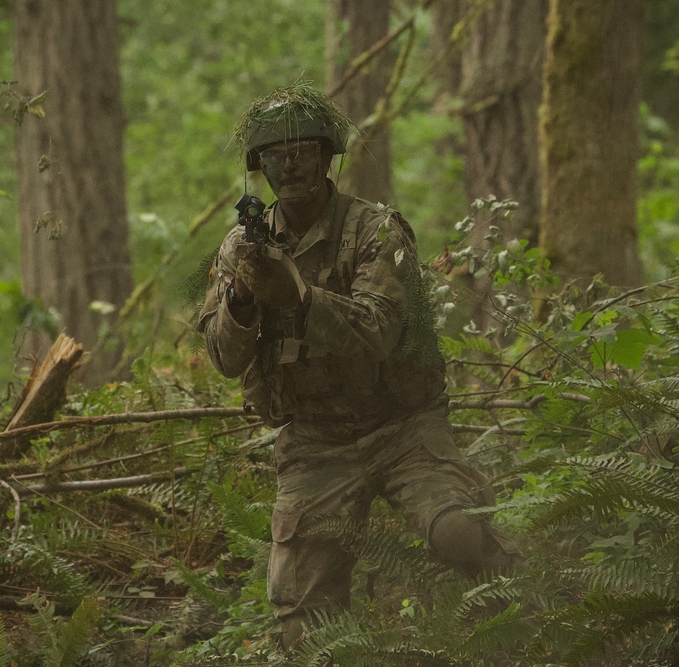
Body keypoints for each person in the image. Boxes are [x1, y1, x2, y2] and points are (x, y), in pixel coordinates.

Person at [197, 84, 516, 649]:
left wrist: (297, 299)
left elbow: (379, 330)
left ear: (326, 157)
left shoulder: (374, 229)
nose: (290, 165)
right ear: (261, 167)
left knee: (458, 532)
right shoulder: (242, 247)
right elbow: (225, 360)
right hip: (316, 442)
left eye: (302, 151)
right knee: (302, 632)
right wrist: (242, 301)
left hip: (403, 426)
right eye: (275, 155)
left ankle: (532, 604)